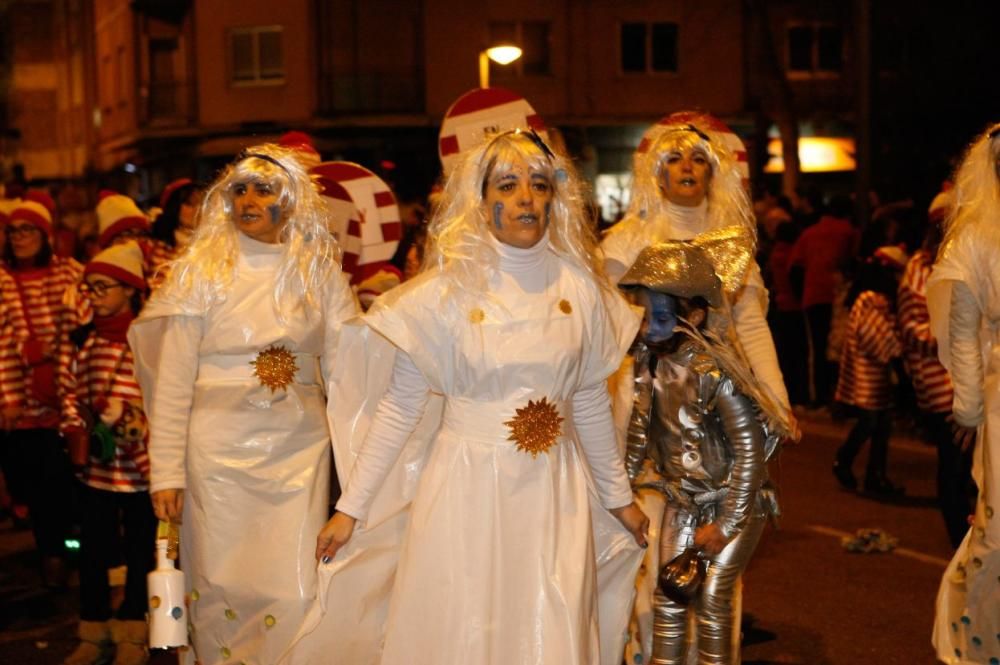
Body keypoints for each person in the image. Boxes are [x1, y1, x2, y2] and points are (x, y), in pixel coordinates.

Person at [311, 129, 648, 665]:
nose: (525, 199)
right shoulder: (442, 296)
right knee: (466, 623)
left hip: (553, 491)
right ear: (482, 200)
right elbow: (402, 407)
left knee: (552, 614)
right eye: (508, 185)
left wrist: (618, 497)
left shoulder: (581, 291)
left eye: (538, 185)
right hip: (466, 487)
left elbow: (586, 400)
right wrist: (350, 509)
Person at [128, 144, 357, 665]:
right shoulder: (199, 274)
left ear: (292, 200)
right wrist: (166, 473)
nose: (249, 200)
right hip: (216, 456)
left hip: (297, 454)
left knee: (294, 588)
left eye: (264, 189)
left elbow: (352, 369)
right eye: (239, 190)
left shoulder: (319, 274)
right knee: (220, 584)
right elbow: (173, 383)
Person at [619, 241, 784, 665]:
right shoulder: (648, 363)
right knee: (670, 595)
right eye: (643, 317)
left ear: (692, 316)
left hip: (736, 502)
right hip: (682, 498)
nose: (647, 329)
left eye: (659, 318)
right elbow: (640, 433)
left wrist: (727, 525)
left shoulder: (716, 374)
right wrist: (618, 496)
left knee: (712, 600)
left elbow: (750, 455)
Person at [602, 116, 791, 418]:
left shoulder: (732, 246)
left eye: (699, 159)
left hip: (716, 395)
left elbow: (751, 326)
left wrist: (777, 399)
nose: (687, 166)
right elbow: (606, 325)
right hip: (644, 395)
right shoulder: (625, 243)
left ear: (712, 175)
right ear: (658, 175)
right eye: (675, 159)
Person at [60, 241, 156, 665]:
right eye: (90, 289)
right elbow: (70, 389)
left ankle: (134, 629)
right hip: (96, 466)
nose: (94, 297)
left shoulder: (150, 340)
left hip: (140, 469)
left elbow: (165, 400)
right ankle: (93, 627)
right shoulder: (84, 340)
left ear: (131, 290)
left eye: (103, 288)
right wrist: (75, 424)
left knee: (140, 548)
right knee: (94, 549)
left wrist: (129, 416)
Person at [928, 123, 1000, 665]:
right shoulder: (976, 237)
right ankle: (979, 645)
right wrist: (970, 407)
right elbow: (963, 330)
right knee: (996, 539)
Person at [0, 199, 84, 587]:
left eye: (27, 230)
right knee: (31, 481)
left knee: (66, 478)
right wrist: (10, 398)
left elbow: (81, 326)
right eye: (14, 231)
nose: (19, 238)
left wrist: (60, 368)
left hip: (67, 392)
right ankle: (51, 551)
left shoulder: (70, 273)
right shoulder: (1, 278)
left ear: (44, 234)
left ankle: (68, 551)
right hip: (21, 400)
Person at [898, 192, 973, 547]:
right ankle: (959, 536)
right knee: (954, 461)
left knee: (972, 463)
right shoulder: (919, 267)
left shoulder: (968, 261)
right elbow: (912, 327)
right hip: (939, 380)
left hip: (968, 377)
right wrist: (957, 334)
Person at [832, 247, 907, 496]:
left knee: (879, 423)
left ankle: (873, 474)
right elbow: (877, 339)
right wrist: (899, 343)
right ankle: (848, 462)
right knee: (872, 421)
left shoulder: (868, 298)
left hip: (872, 371)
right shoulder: (872, 299)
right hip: (869, 372)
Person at [788, 195, 859, 405]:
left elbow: (794, 266)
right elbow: (853, 260)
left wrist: (801, 294)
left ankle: (819, 396)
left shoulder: (809, 234)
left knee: (818, 348)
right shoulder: (848, 231)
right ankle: (842, 397)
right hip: (839, 296)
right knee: (841, 347)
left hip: (813, 296)